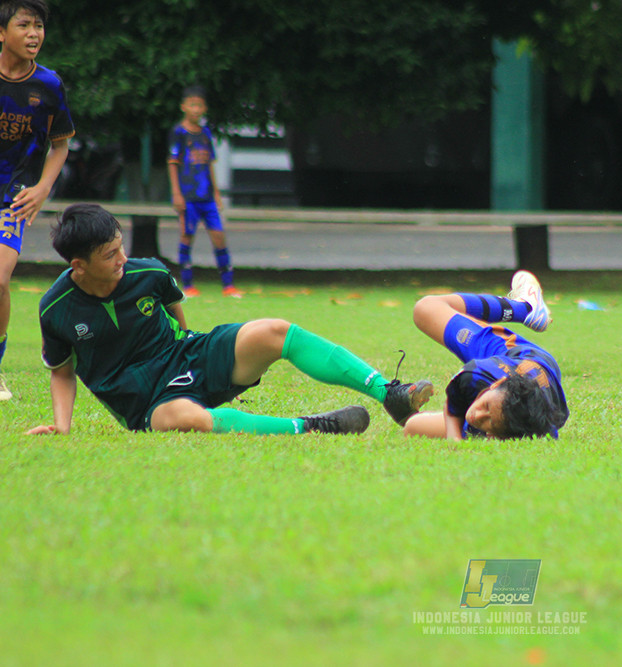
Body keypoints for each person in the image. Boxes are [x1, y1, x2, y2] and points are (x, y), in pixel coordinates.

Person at [27, 203, 434, 436]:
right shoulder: (55, 307)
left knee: (276, 331)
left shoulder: (147, 272)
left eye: (120, 248)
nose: (121, 260)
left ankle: (389, 393)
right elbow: (62, 372)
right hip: (143, 401)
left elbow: (174, 311)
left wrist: (193, 350)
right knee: (188, 420)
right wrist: (62, 425)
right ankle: (312, 426)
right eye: (109, 256)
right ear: (79, 265)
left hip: (186, 356)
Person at [0, 0, 73, 401]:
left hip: (12, 198)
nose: (33, 34)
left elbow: (60, 145)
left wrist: (43, 188)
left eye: (39, 26)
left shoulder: (48, 85)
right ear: (1, 33)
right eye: (23, 25)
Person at [403, 271, 568, 440]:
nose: (477, 415)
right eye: (486, 406)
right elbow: (454, 404)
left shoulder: (531, 426)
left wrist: (488, 430)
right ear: (495, 385)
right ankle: (525, 308)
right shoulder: (474, 374)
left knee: (413, 426)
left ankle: (492, 419)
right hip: (521, 355)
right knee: (426, 308)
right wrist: (454, 439)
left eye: (490, 421)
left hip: (518, 413)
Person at [167, 84, 239, 298]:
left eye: (199, 105)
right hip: (188, 197)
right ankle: (187, 286)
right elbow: (173, 163)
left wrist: (216, 193)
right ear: (183, 107)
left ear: (204, 108)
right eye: (192, 105)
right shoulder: (178, 133)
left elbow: (209, 164)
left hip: (207, 197)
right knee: (187, 236)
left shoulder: (205, 133)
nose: (196, 109)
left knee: (219, 235)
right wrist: (177, 194)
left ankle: (228, 285)